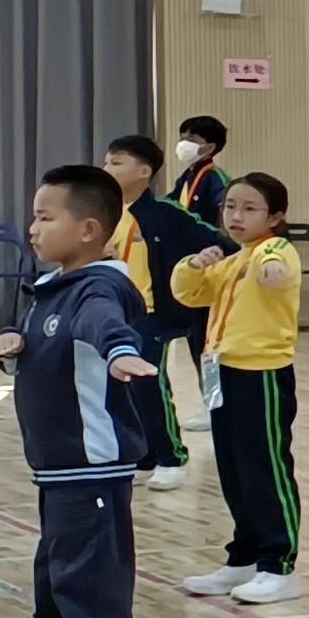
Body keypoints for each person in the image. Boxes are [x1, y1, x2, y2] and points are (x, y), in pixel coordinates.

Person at [0, 164, 162, 618]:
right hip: (57, 470)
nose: (32, 228)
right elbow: (45, 348)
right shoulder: (52, 287)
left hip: (92, 470)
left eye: (45, 217)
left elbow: (103, 325)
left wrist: (120, 352)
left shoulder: (98, 288)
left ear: (88, 229)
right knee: (56, 582)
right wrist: (9, 343)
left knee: (90, 585)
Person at [168, 173, 307, 606]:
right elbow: (190, 294)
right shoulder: (232, 260)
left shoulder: (275, 249)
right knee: (233, 468)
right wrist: (193, 265)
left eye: (249, 208)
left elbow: (279, 269)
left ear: (275, 216)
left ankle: (279, 564)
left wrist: (272, 270)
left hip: (259, 375)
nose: (236, 216)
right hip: (223, 373)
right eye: (230, 206)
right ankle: (244, 556)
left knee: (265, 468)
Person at [100, 133, 223, 494]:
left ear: (144, 171)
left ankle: (172, 457)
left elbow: (218, 240)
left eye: (116, 162)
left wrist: (202, 263)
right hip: (113, 312)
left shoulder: (164, 213)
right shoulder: (104, 212)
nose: (107, 169)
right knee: (119, 389)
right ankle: (144, 457)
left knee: (148, 386)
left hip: (151, 314)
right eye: (106, 162)